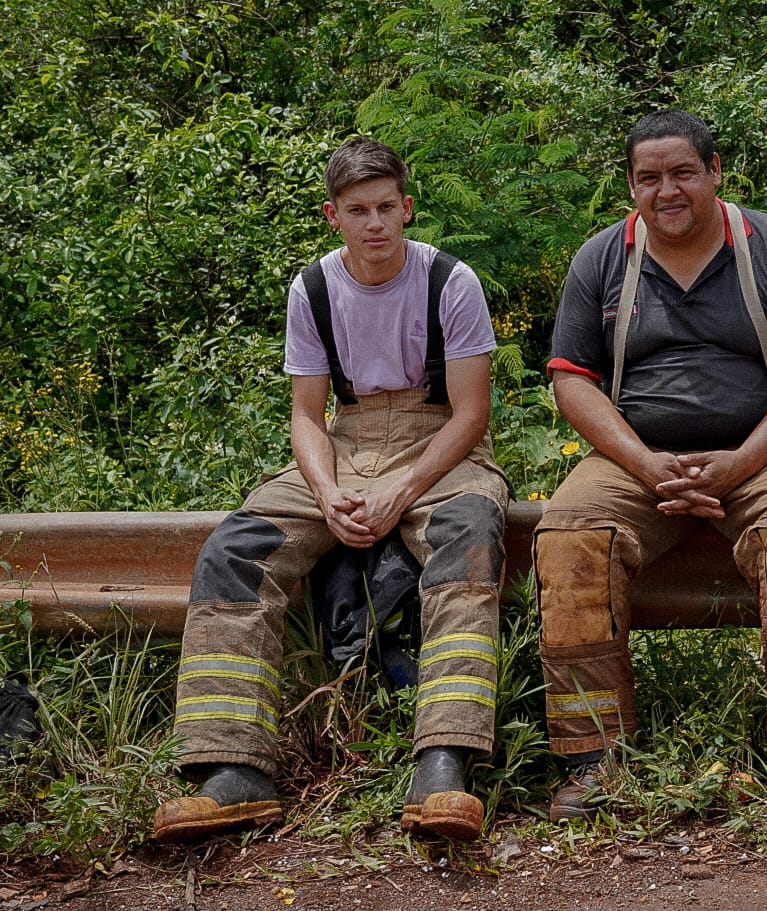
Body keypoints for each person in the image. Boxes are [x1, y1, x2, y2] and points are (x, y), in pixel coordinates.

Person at [153, 136, 510, 844]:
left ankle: (443, 760)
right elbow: (306, 415)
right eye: (358, 210)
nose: (375, 223)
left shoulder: (450, 281)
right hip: (344, 443)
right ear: (333, 215)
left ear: (406, 208)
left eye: (386, 207)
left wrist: (401, 488)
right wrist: (326, 491)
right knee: (236, 547)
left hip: (438, 439)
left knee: (466, 537)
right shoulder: (312, 288)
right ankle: (232, 768)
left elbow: (471, 414)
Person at [534, 110, 767, 826]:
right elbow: (572, 380)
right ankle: (593, 758)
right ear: (630, 187)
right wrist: (646, 465)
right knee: (568, 534)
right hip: (636, 458)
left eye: (682, 172)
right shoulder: (601, 258)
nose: (666, 190)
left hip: (762, 450)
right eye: (648, 178)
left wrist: (742, 462)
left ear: (714, 172)